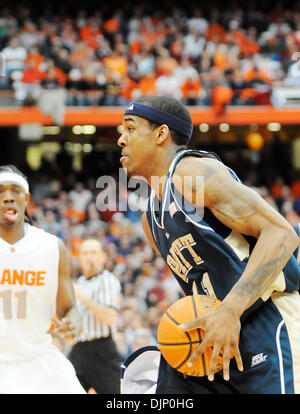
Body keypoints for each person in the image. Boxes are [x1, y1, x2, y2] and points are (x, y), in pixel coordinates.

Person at [118, 95, 300, 394]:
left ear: (161, 134)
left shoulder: (192, 173)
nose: (122, 140)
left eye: (130, 128)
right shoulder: (150, 217)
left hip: (265, 320)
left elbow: (282, 234)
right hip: (214, 333)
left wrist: (230, 311)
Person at [0, 165, 85, 394]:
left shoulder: (51, 247)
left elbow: (69, 309)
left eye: (15, 191)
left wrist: (73, 322)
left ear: (27, 199)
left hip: (40, 360)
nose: (8, 197)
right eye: (0, 191)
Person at [68, 238, 122, 394]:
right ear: (79, 258)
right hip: (78, 349)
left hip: (102, 350)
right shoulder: (80, 282)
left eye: (93, 252)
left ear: (103, 257)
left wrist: (83, 297)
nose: (89, 257)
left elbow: (110, 317)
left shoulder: (108, 280)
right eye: (85, 253)